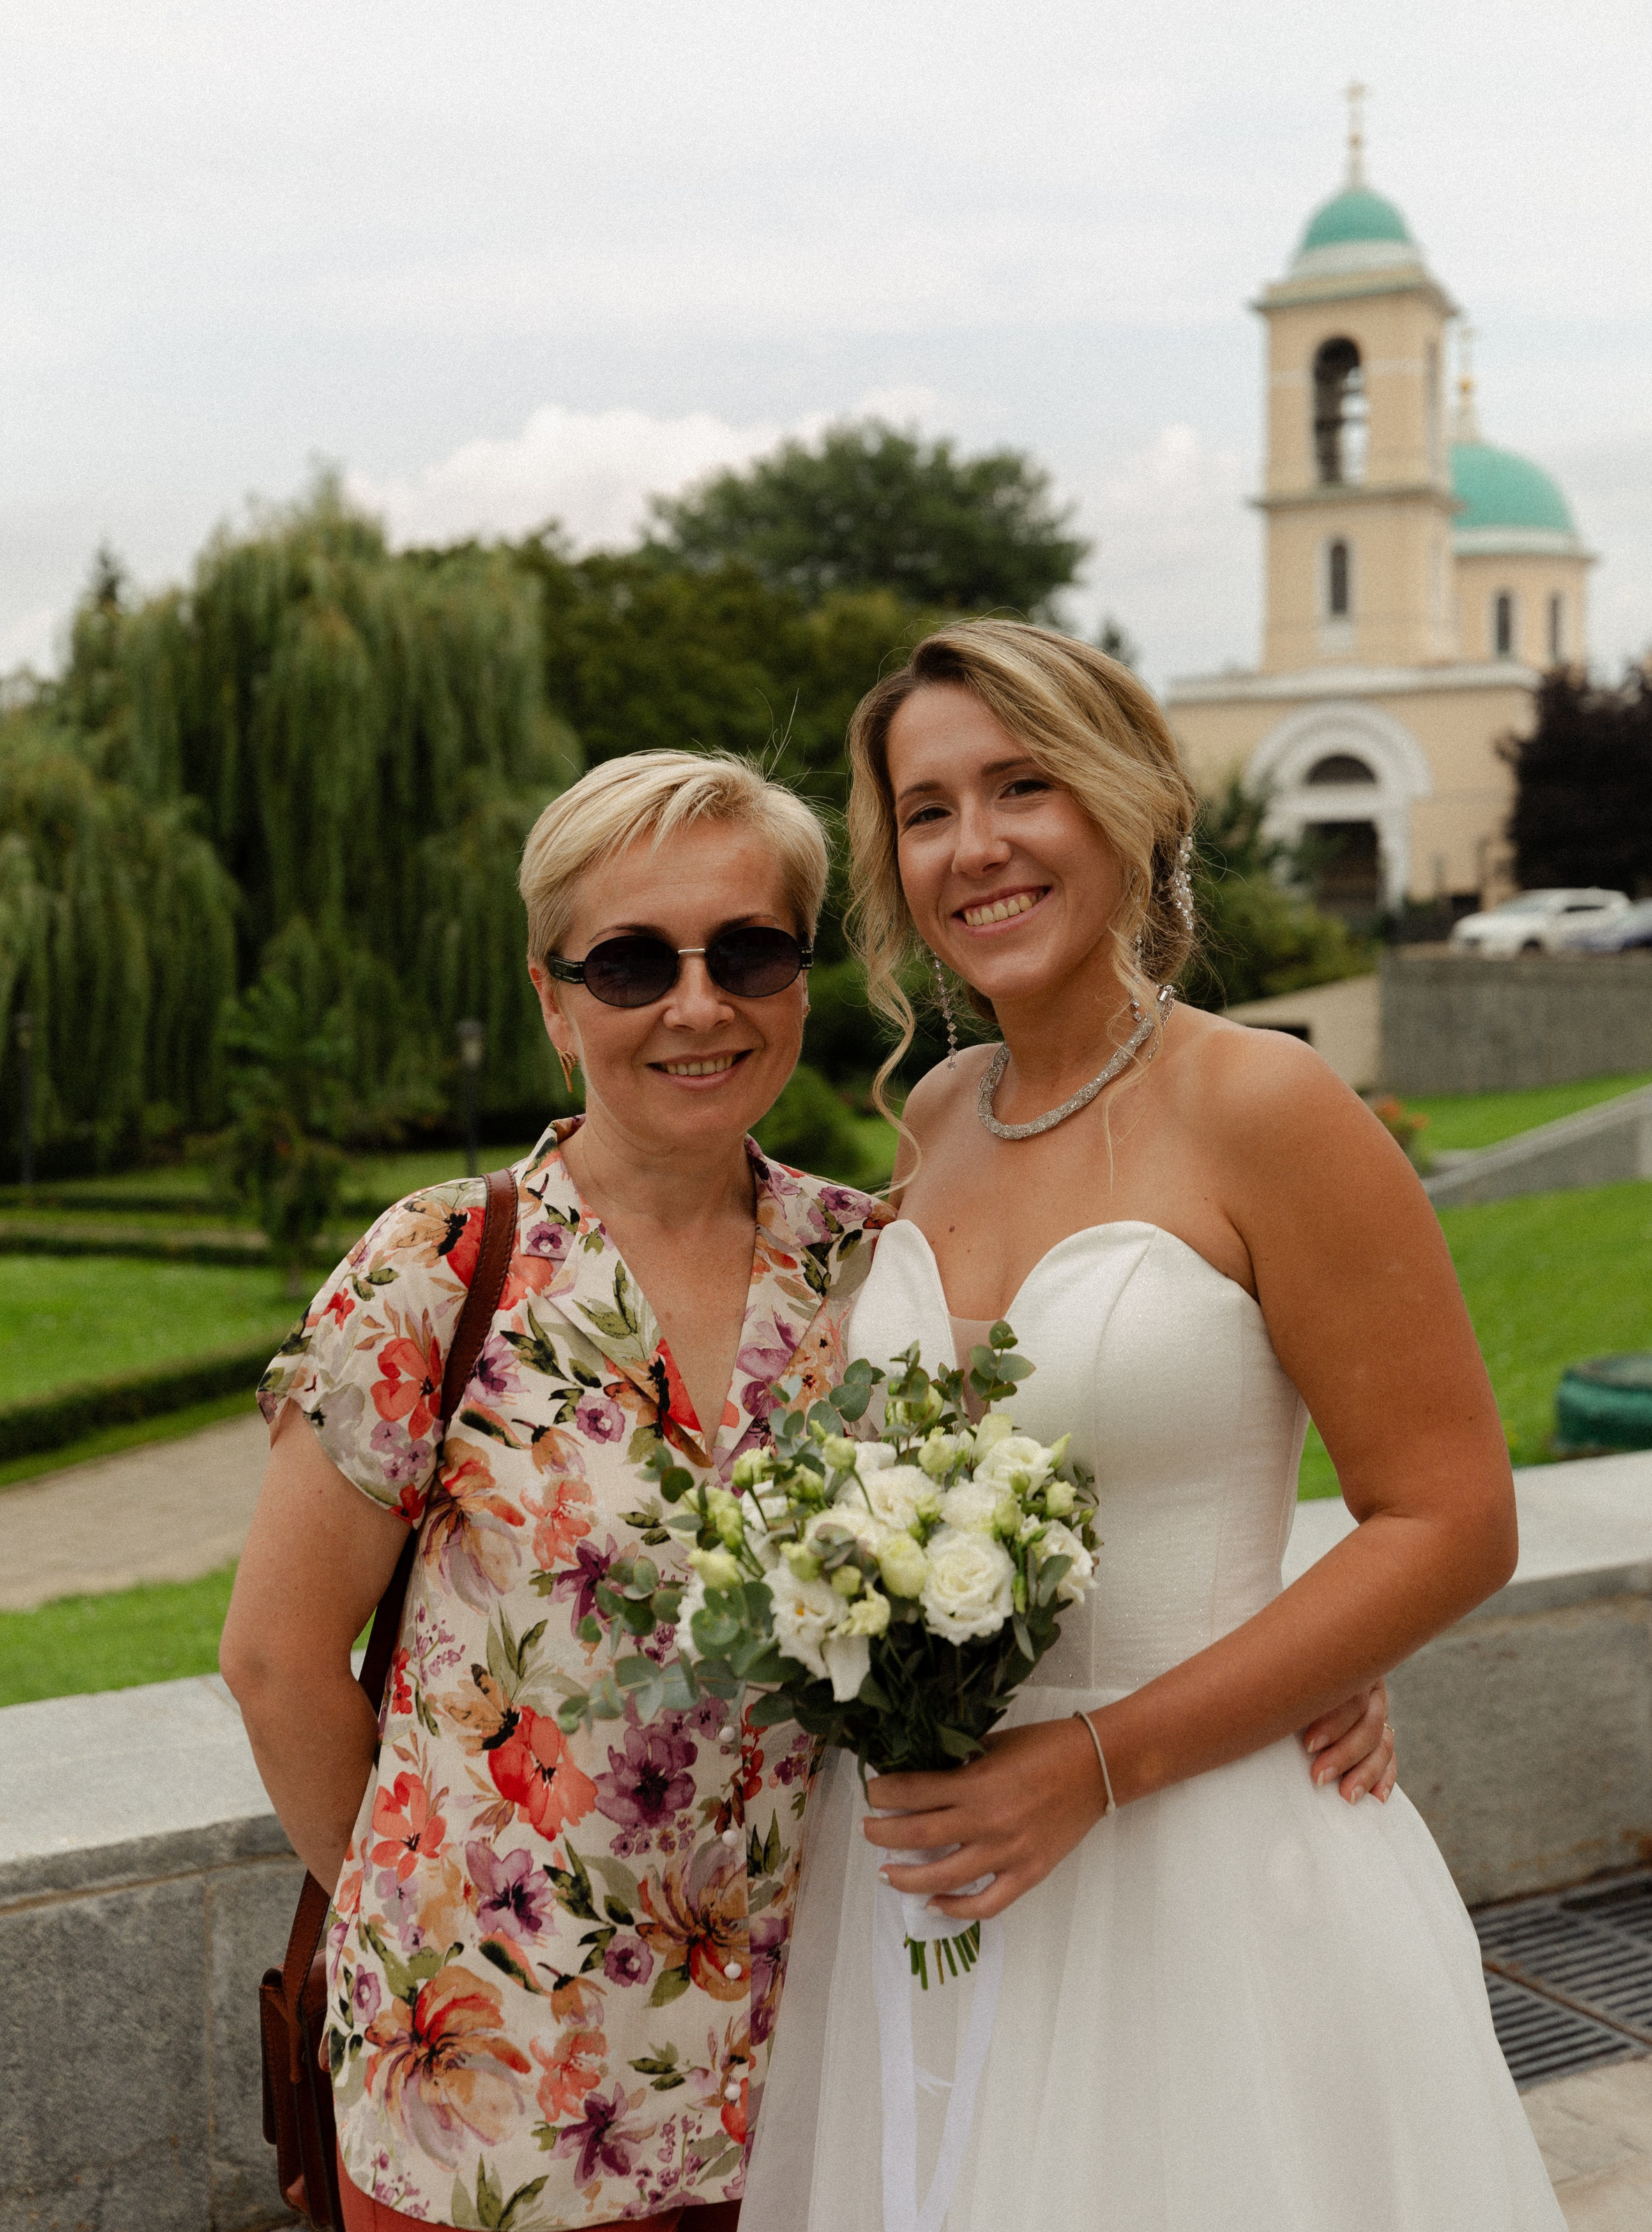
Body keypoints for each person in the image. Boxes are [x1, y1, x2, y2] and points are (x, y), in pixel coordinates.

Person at [222, 740, 1397, 2231]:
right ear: (551, 996)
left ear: (797, 980)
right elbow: (273, 1662)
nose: (696, 1002)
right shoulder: (437, 1267)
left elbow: (1058, 1508)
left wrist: (1309, 1656)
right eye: (632, 962)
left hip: (814, 2087)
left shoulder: (869, 1259)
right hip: (489, 2111)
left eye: (749, 950)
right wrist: (436, 1927)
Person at [741, 621, 1562, 2231]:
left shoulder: (1264, 1107)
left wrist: (1111, 1754)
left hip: (1206, 1871)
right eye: (924, 810)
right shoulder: (930, 1120)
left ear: (1123, 802)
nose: (973, 846)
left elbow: (1453, 1515)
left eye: (1020, 785)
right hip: (932, 1874)